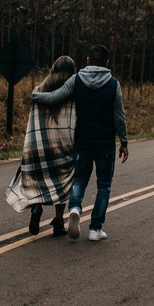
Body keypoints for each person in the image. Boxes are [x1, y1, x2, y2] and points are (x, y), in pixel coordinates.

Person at [31, 45, 128, 241]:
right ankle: (95, 229)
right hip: (105, 144)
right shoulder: (113, 84)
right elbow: (119, 117)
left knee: (80, 179)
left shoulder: (76, 80)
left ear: (87, 60)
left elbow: (54, 97)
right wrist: (124, 141)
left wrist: (35, 95)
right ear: (107, 63)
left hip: (82, 141)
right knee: (103, 185)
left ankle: (74, 208)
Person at [5, 56, 77, 236]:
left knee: (39, 179)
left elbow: (34, 121)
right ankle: (59, 221)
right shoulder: (73, 92)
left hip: (39, 146)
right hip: (63, 147)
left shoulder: (39, 90)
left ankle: (36, 208)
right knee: (62, 182)